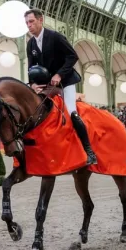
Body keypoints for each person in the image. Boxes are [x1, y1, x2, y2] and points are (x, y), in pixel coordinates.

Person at [24, 9, 97, 165]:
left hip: (65, 82)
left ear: (40, 20)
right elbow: (30, 68)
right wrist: (33, 84)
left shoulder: (55, 37)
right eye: (27, 23)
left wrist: (59, 74)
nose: (29, 25)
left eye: (31, 21)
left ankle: (89, 151)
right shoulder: (30, 44)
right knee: (36, 110)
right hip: (47, 84)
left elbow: (73, 56)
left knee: (71, 112)